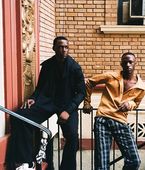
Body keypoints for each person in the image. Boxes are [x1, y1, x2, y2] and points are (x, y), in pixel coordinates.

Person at [7, 36, 86, 170]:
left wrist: (68, 110)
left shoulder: (75, 68)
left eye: (66, 47)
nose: (63, 50)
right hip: (48, 103)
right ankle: (25, 162)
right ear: (54, 48)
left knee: (72, 137)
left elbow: (81, 93)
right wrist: (33, 98)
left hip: (67, 105)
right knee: (19, 117)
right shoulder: (48, 65)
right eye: (60, 47)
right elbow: (40, 88)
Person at [83, 52, 145, 170]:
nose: (128, 65)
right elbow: (90, 82)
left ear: (135, 63)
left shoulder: (142, 87)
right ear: (121, 64)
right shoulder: (111, 76)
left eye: (130, 62)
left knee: (134, 160)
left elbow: (136, 103)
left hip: (120, 121)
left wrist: (130, 104)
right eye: (125, 62)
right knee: (102, 164)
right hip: (103, 119)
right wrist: (87, 102)